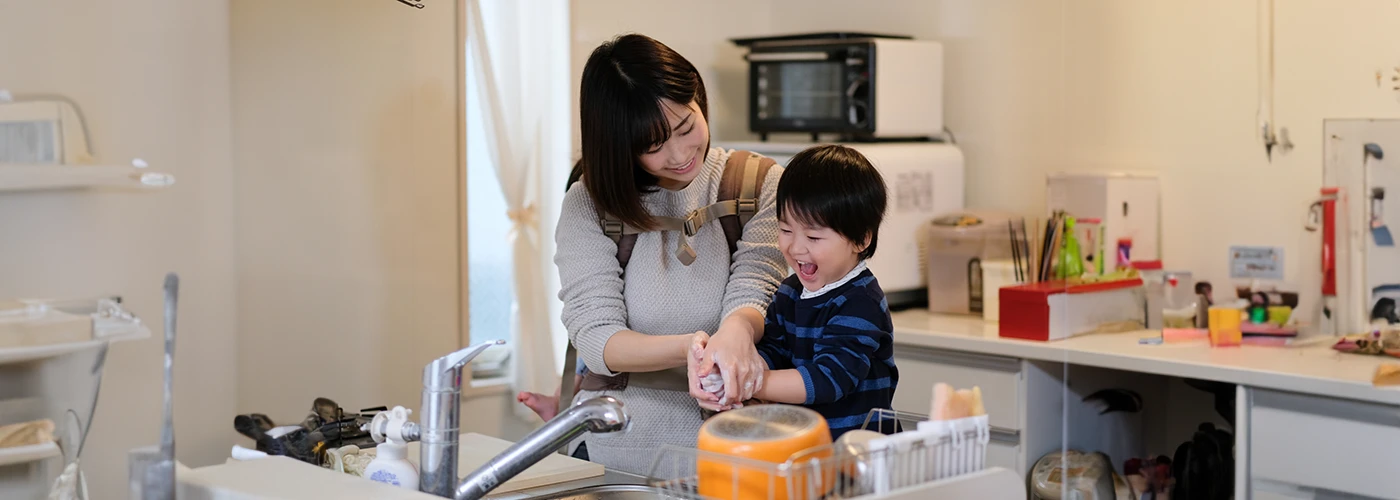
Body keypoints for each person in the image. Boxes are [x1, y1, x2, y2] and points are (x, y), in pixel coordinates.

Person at [522, 33, 787, 475]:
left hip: (740, 446)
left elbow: (758, 281)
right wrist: (698, 348)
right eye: (653, 145)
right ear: (619, 144)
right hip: (615, 444)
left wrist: (738, 328)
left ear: (699, 99)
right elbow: (597, 336)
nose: (681, 154)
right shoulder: (588, 204)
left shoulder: (756, 184)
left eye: (687, 126)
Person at [690, 144, 898, 438]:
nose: (795, 247)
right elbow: (775, 350)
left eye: (813, 236)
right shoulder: (790, 292)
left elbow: (829, 379)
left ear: (861, 239)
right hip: (804, 450)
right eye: (786, 231)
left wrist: (751, 381)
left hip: (859, 456)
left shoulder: (861, 302)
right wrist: (732, 371)